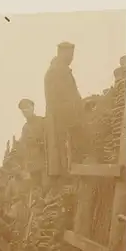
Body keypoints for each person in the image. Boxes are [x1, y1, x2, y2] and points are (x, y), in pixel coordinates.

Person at [44, 42, 89, 179]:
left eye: (73, 54)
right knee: (65, 148)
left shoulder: (61, 69)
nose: (71, 58)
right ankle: (69, 172)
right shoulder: (57, 71)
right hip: (63, 117)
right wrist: (74, 112)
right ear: (61, 53)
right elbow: (60, 97)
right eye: (70, 54)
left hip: (67, 115)